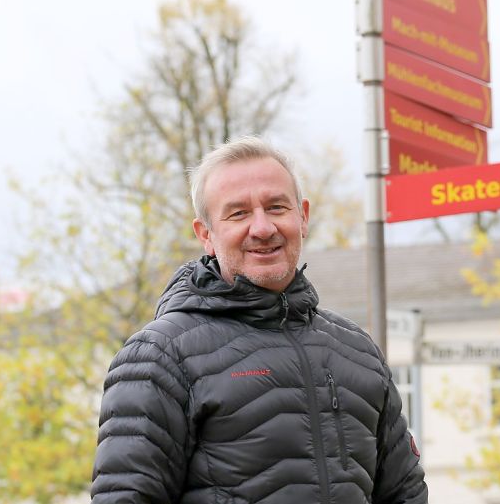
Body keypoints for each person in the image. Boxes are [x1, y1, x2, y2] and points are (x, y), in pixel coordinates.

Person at [91, 136, 427, 504]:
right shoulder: (159, 356)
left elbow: (405, 494)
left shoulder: (357, 350)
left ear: (303, 217)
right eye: (238, 213)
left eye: (277, 207)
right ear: (206, 234)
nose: (263, 228)